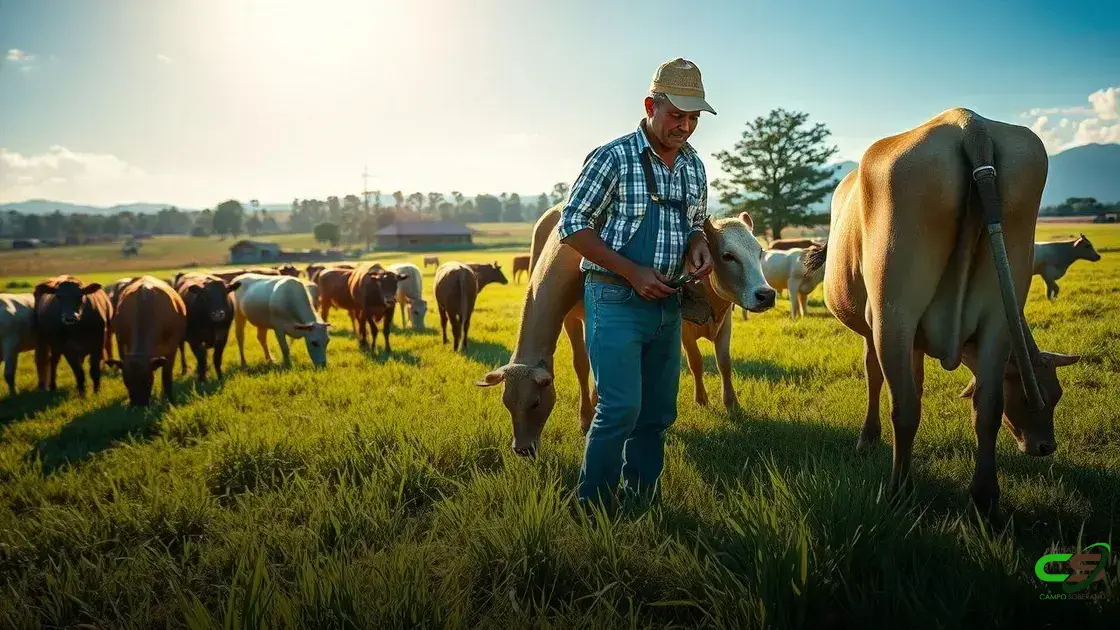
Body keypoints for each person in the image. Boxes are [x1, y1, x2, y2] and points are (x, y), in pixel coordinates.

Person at [557, 57, 716, 510]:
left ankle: (641, 500)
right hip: (614, 297)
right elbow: (572, 223)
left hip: (668, 302)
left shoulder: (694, 166)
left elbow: (695, 222)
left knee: (658, 414)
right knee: (620, 409)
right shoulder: (613, 156)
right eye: (675, 116)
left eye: (693, 118)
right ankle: (592, 506)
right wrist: (632, 270)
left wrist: (698, 243)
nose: (684, 127)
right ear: (650, 105)